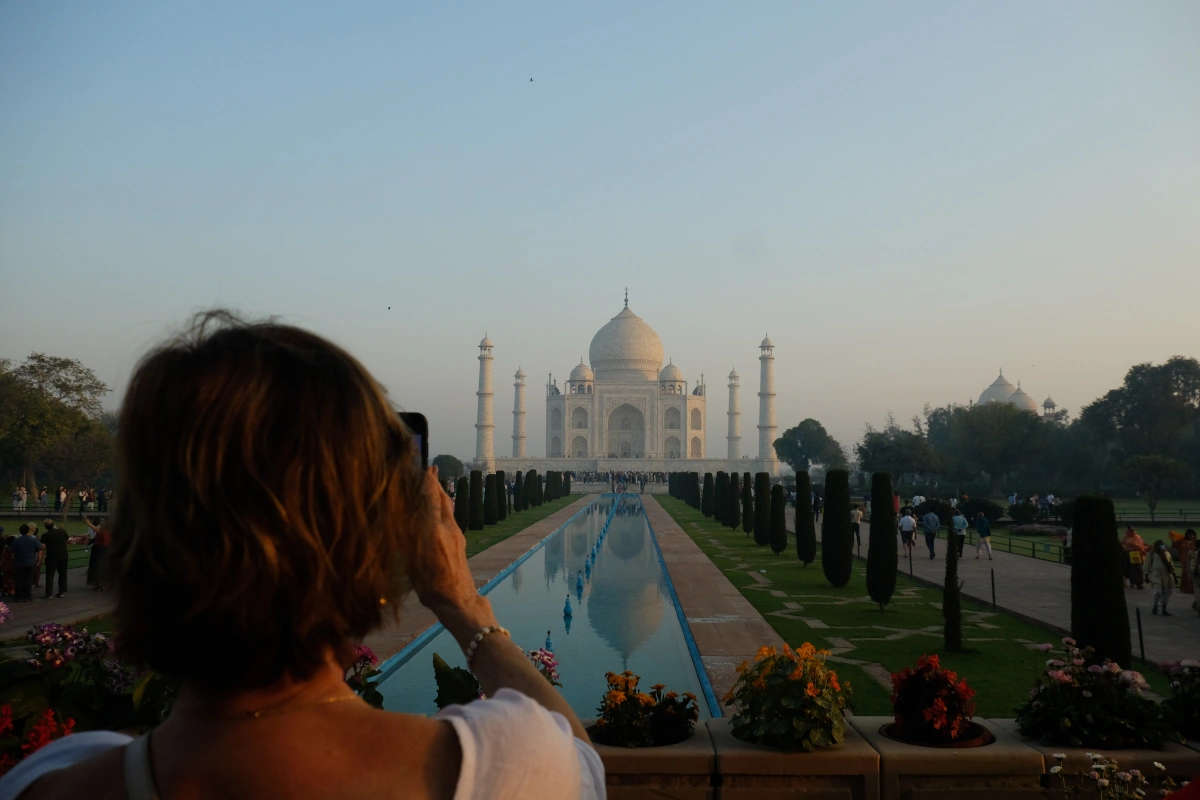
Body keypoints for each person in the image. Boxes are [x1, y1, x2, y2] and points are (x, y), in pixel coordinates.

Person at [0, 312, 603, 800]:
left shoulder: (47, 782)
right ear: (375, 548)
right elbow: (581, 762)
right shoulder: (500, 768)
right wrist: (463, 604)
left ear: (138, 538)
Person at [5, 524, 43, 603]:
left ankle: (18, 596)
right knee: (28, 580)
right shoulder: (33, 540)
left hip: (19, 563)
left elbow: (12, 552)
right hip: (31, 562)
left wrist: (13, 561)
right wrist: (38, 561)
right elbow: (39, 551)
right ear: (28, 531)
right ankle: (27, 596)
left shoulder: (17, 540)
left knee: (19, 580)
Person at [41, 518, 69, 598]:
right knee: (62, 574)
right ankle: (61, 592)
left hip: (52, 556)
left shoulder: (46, 535)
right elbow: (66, 538)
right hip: (63, 555)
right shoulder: (62, 531)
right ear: (53, 524)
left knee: (50, 575)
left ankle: (49, 594)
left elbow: (42, 541)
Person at [1149, 540, 1176, 616]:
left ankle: (1164, 609)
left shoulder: (1167, 554)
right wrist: (1146, 575)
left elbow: (1171, 565)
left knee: (1166, 593)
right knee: (1157, 591)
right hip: (1156, 575)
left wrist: (1174, 575)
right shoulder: (1152, 554)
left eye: (1163, 545)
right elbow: (1148, 564)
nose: (1162, 547)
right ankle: (1155, 606)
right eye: (1160, 546)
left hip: (1167, 575)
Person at [85, 516, 112, 590]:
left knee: (100, 566)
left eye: (103, 521)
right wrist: (90, 542)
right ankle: (97, 583)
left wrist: (89, 524)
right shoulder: (103, 529)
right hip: (97, 549)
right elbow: (96, 537)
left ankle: (102, 583)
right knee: (95, 567)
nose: (102, 522)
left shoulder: (107, 530)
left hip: (103, 550)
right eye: (101, 521)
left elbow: (99, 531)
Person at [1177, 529, 1197, 594]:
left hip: (1194, 561)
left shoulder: (1196, 542)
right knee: (1185, 574)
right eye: (1190, 535)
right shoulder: (1182, 541)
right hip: (1185, 561)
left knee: (1193, 574)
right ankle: (1185, 589)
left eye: (1193, 535)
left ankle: (1193, 589)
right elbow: (1175, 544)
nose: (1192, 536)